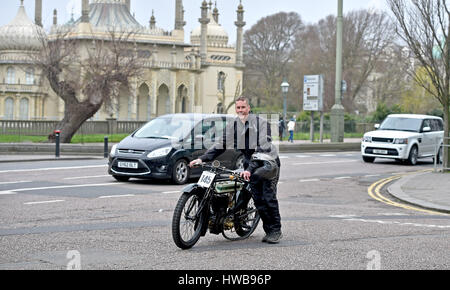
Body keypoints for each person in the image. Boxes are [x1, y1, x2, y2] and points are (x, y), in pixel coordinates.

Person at [189, 97, 283, 244]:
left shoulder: (262, 123)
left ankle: (274, 230)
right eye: (238, 108)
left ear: (249, 108)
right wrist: (202, 159)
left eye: (243, 107)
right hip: (250, 164)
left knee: (267, 198)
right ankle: (237, 215)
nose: (240, 110)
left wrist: (250, 169)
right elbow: (221, 144)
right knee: (257, 198)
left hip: (267, 164)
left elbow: (262, 148)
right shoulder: (234, 125)